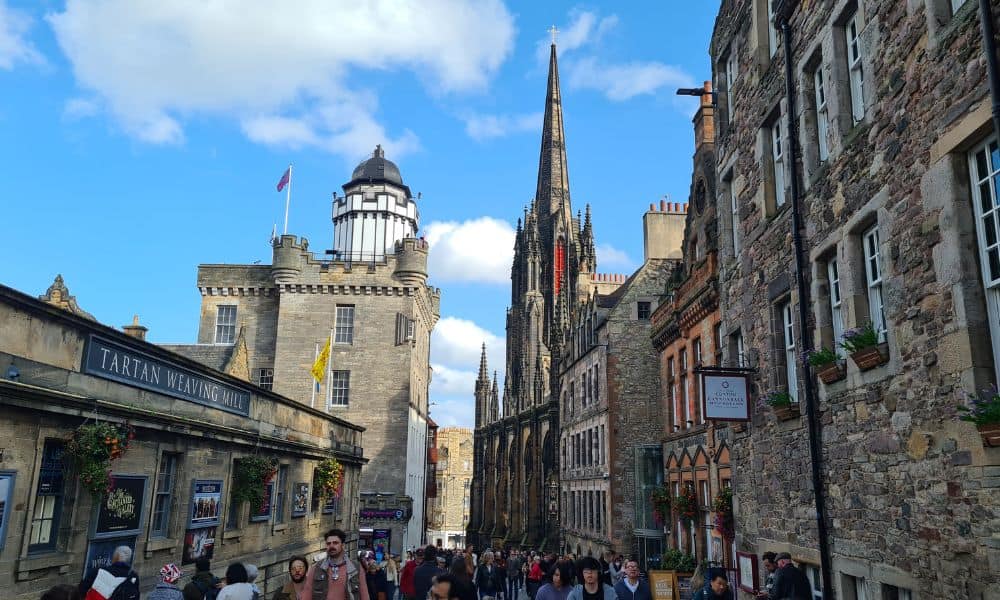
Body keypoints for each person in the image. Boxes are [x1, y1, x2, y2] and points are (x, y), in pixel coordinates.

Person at [306, 528, 368, 600]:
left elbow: (364, 594)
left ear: (343, 545)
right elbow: (307, 592)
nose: (331, 546)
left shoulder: (356, 568)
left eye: (335, 543)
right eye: (328, 543)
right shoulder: (316, 568)